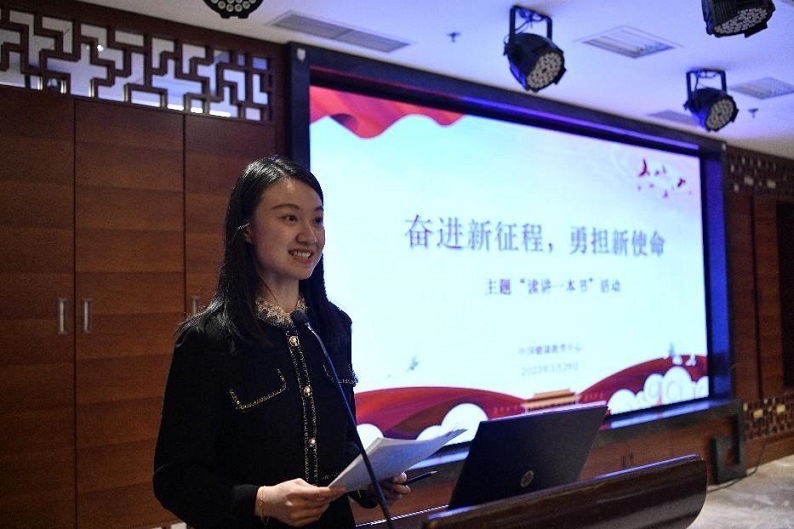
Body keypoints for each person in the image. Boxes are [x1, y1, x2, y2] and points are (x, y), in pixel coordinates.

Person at [153, 155, 410, 528]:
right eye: (290, 218)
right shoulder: (208, 340)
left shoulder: (334, 327)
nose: (309, 235)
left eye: (317, 220)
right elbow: (175, 479)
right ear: (247, 230)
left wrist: (369, 481)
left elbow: (340, 443)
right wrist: (261, 501)